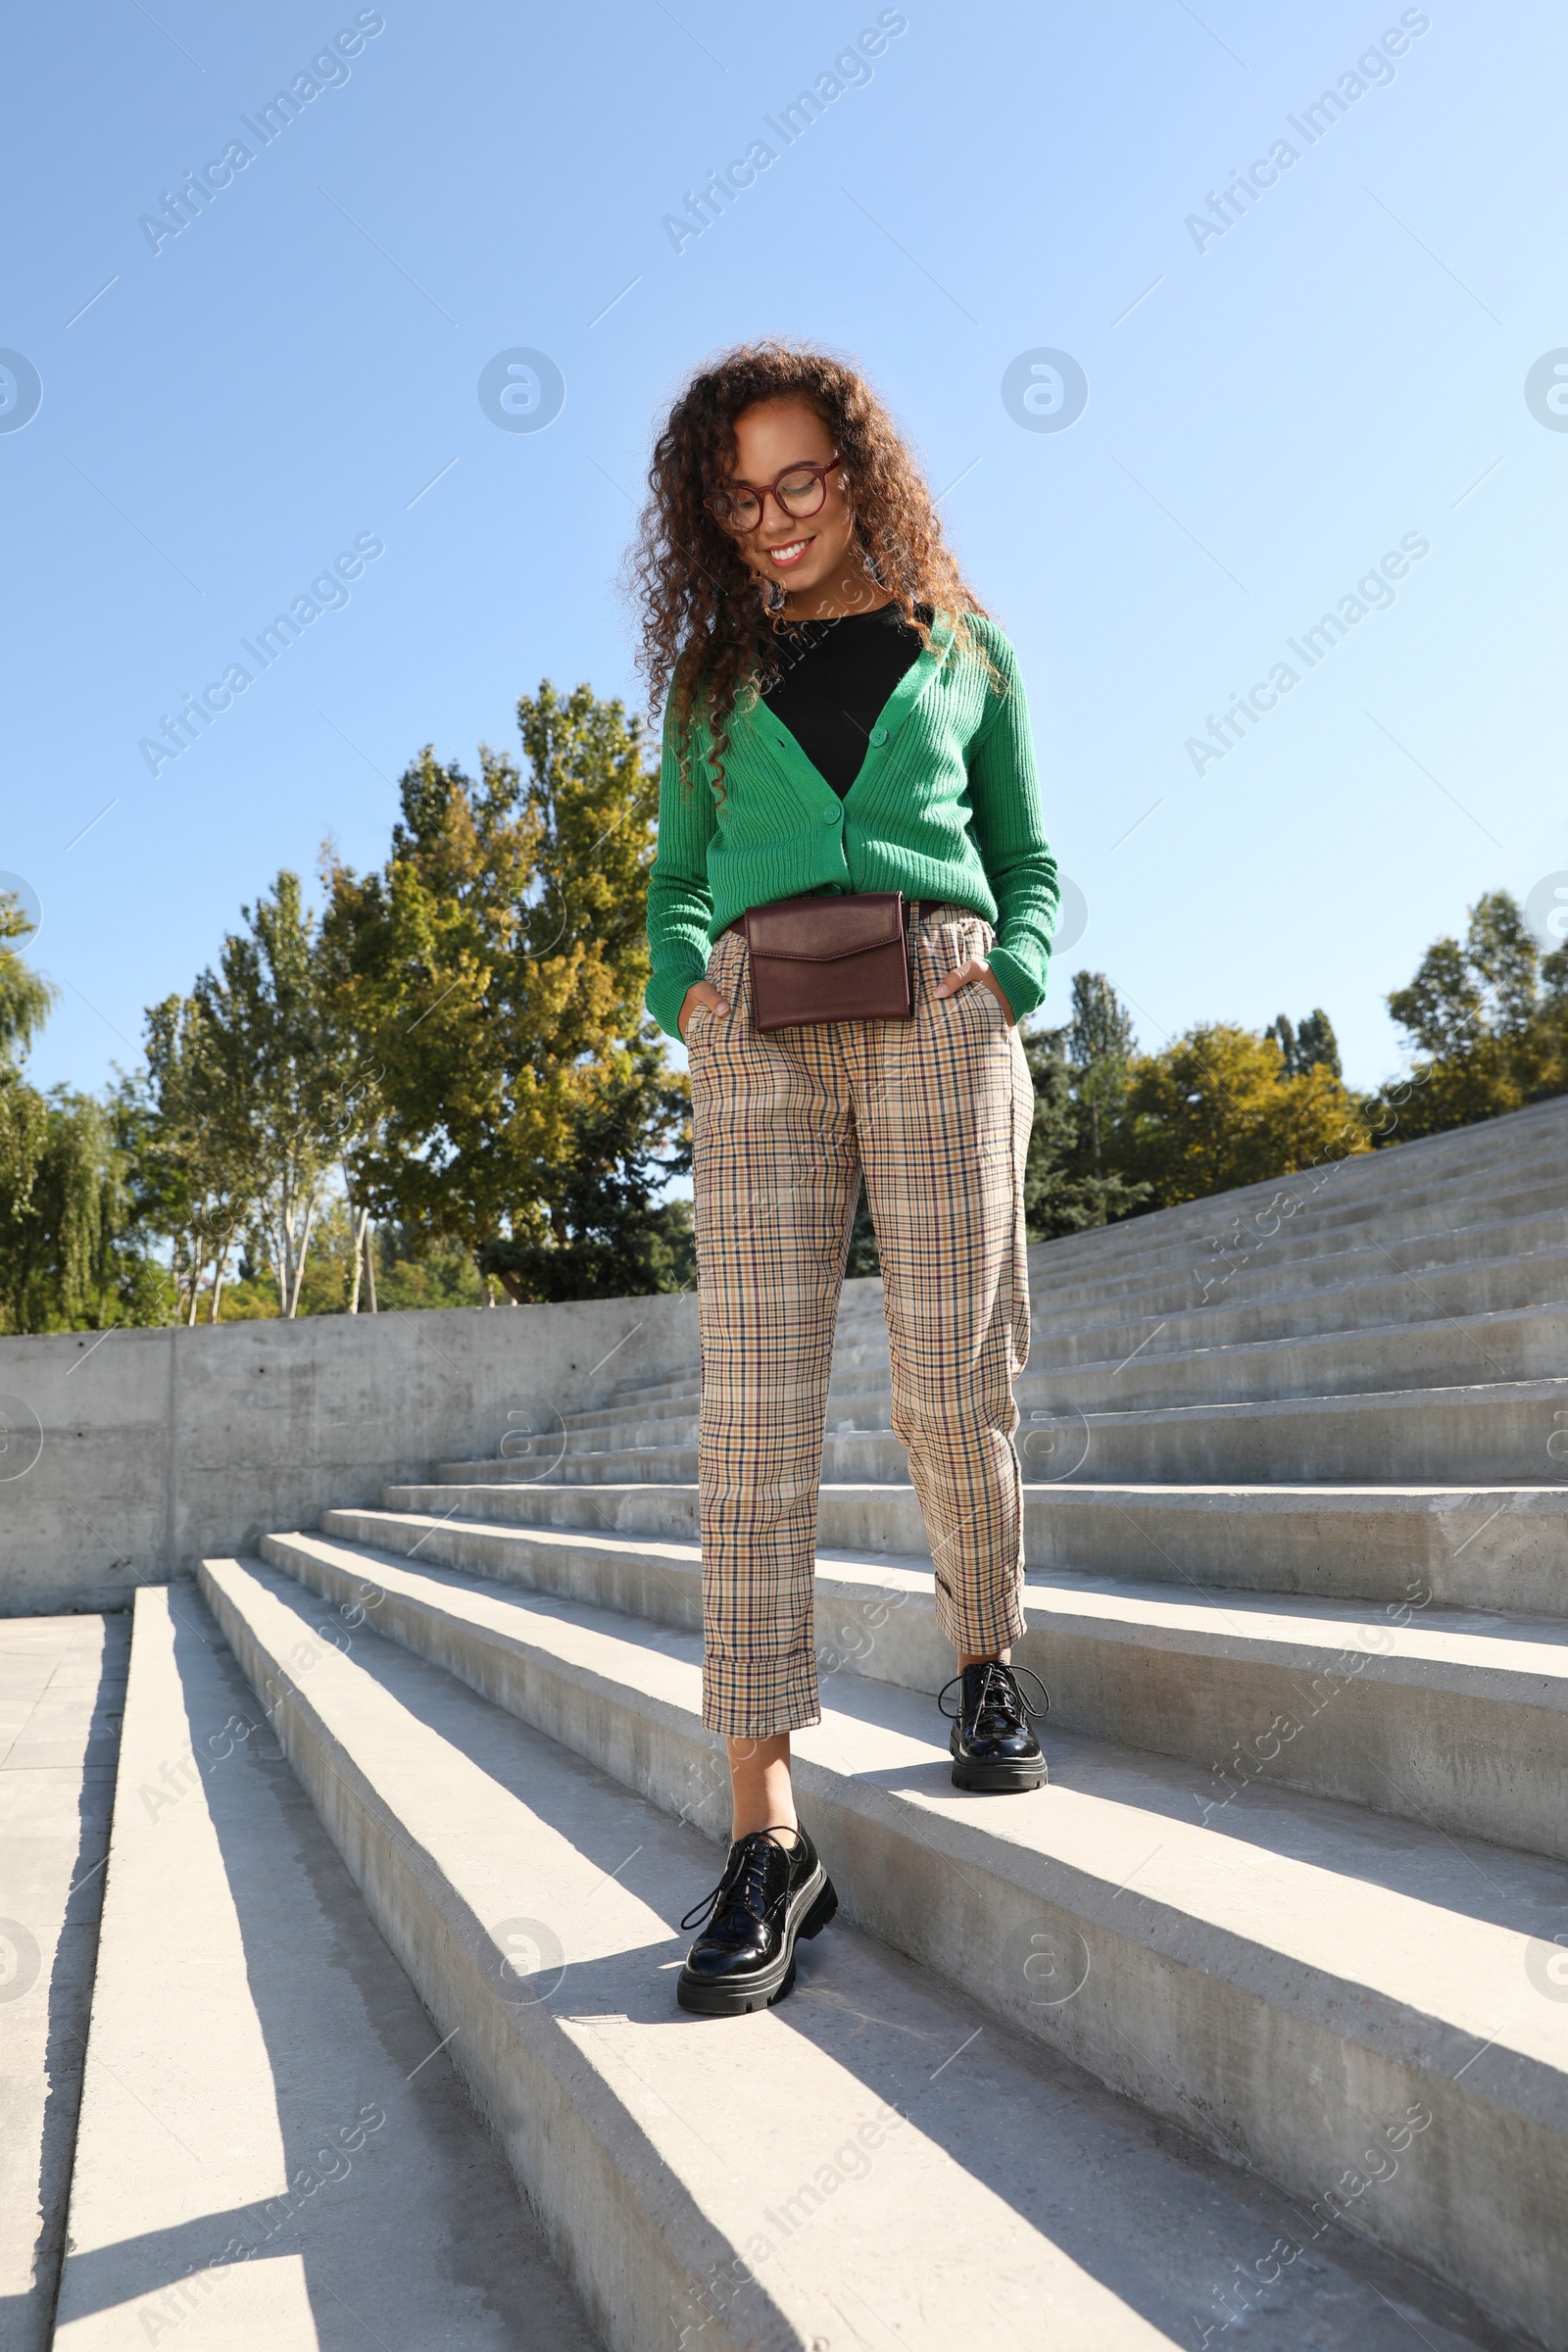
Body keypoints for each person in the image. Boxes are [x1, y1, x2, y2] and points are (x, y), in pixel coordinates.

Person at [633, 341, 1058, 2016]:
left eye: (803, 478)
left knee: (954, 1377)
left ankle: (986, 1659)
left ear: (862, 472)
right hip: (760, 1045)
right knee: (749, 1418)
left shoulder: (964, 648)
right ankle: (766, 1834)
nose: (774, 516)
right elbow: (675, 879)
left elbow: (1025, 853)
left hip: (942, 1016)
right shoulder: (708, 682)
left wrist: (1012, 965)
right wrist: (688, 996)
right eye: (740, 495)